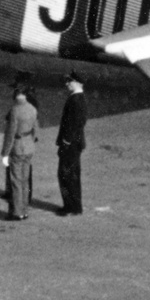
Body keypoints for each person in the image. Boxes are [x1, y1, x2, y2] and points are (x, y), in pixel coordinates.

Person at [0, 82, 39, 220]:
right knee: (25, 180)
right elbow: (35, 130)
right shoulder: (32, 109)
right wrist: (30, 142)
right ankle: (25, 209)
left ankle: (17, 212)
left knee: (16, 180)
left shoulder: (15, 110)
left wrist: (5, 153)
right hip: (29, 146)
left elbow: (10, 134)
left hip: (17, 146)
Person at [57, 71, 88, 216]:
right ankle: (74, 206)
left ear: (77, 83)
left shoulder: (75, 100)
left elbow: (74, 124)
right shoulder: (79, 98)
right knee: (72, 175)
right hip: (76, 143)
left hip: (70, 144)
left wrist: (66, 141)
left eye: (69, 81)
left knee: (66, 175)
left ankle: (71, 207)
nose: (67, 84)